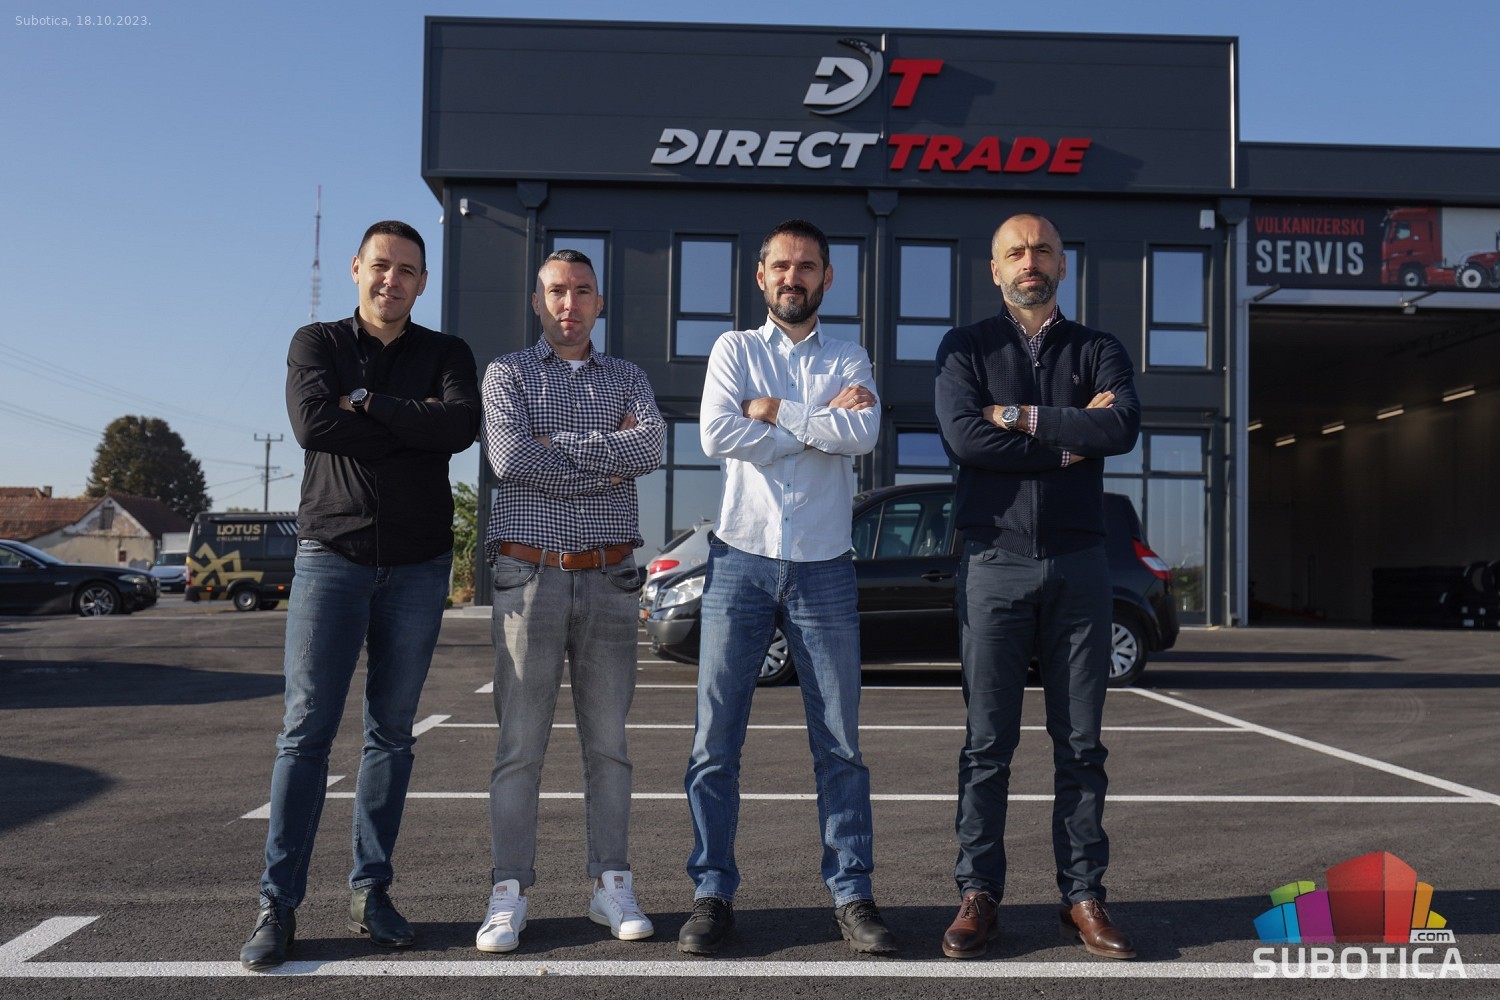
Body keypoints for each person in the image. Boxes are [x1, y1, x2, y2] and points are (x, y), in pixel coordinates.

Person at [240, 221, 481, 971]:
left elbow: (459, 428)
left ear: (422, 282)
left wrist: (367, 403)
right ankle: (278, 904)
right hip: (331, 558)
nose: (392, 280)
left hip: (418, 565)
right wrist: (410, 423)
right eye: (381, 265)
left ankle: (370, 891)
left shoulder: (447, 353)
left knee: (392, 735)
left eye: (407, 270)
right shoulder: (316, 342)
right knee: (305, 733)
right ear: (356, 269)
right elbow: (314, 425)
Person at [680, 219, 894, 957]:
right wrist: (817, 425)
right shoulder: (734, 350)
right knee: (715, 743)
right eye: (781, 266)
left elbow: (863, 435)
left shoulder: (850, 355)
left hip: (824, 566)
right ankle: (712, 893)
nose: (792, 277)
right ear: (761, 276)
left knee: (841, 745)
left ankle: (852, 893)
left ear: (827, 278)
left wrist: (774, 411)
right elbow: (717, 435)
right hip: (739, 561)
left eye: (806, 267)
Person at [933, 213, 1141, 961]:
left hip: (1080, 563)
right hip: (993, 561)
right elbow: (965, 438)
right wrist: (1065, 442)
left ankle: (1082, 894)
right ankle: (978, 894)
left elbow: (1120, 429)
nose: (1031, 261)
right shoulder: (964, 348)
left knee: (1081, 744)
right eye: (1016, 252)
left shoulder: (1098, 348)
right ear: (995, 269)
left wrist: (1019, 418)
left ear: (1062, 264)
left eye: (1043, 249)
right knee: (987, 744)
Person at [474, 249, 665, 953]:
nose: (569, 303)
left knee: (609, 746)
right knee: (519, 747)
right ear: (537, 301)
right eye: (557, 291)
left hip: (611, 578)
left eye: (583, 291)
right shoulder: (507, 374)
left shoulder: (629, 377)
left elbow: (651, 448)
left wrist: (557, 445)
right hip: (529, 577)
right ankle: (508, 891)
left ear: (599, 303)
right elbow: (510, 460)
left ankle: (610, 883)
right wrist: (605, 460)